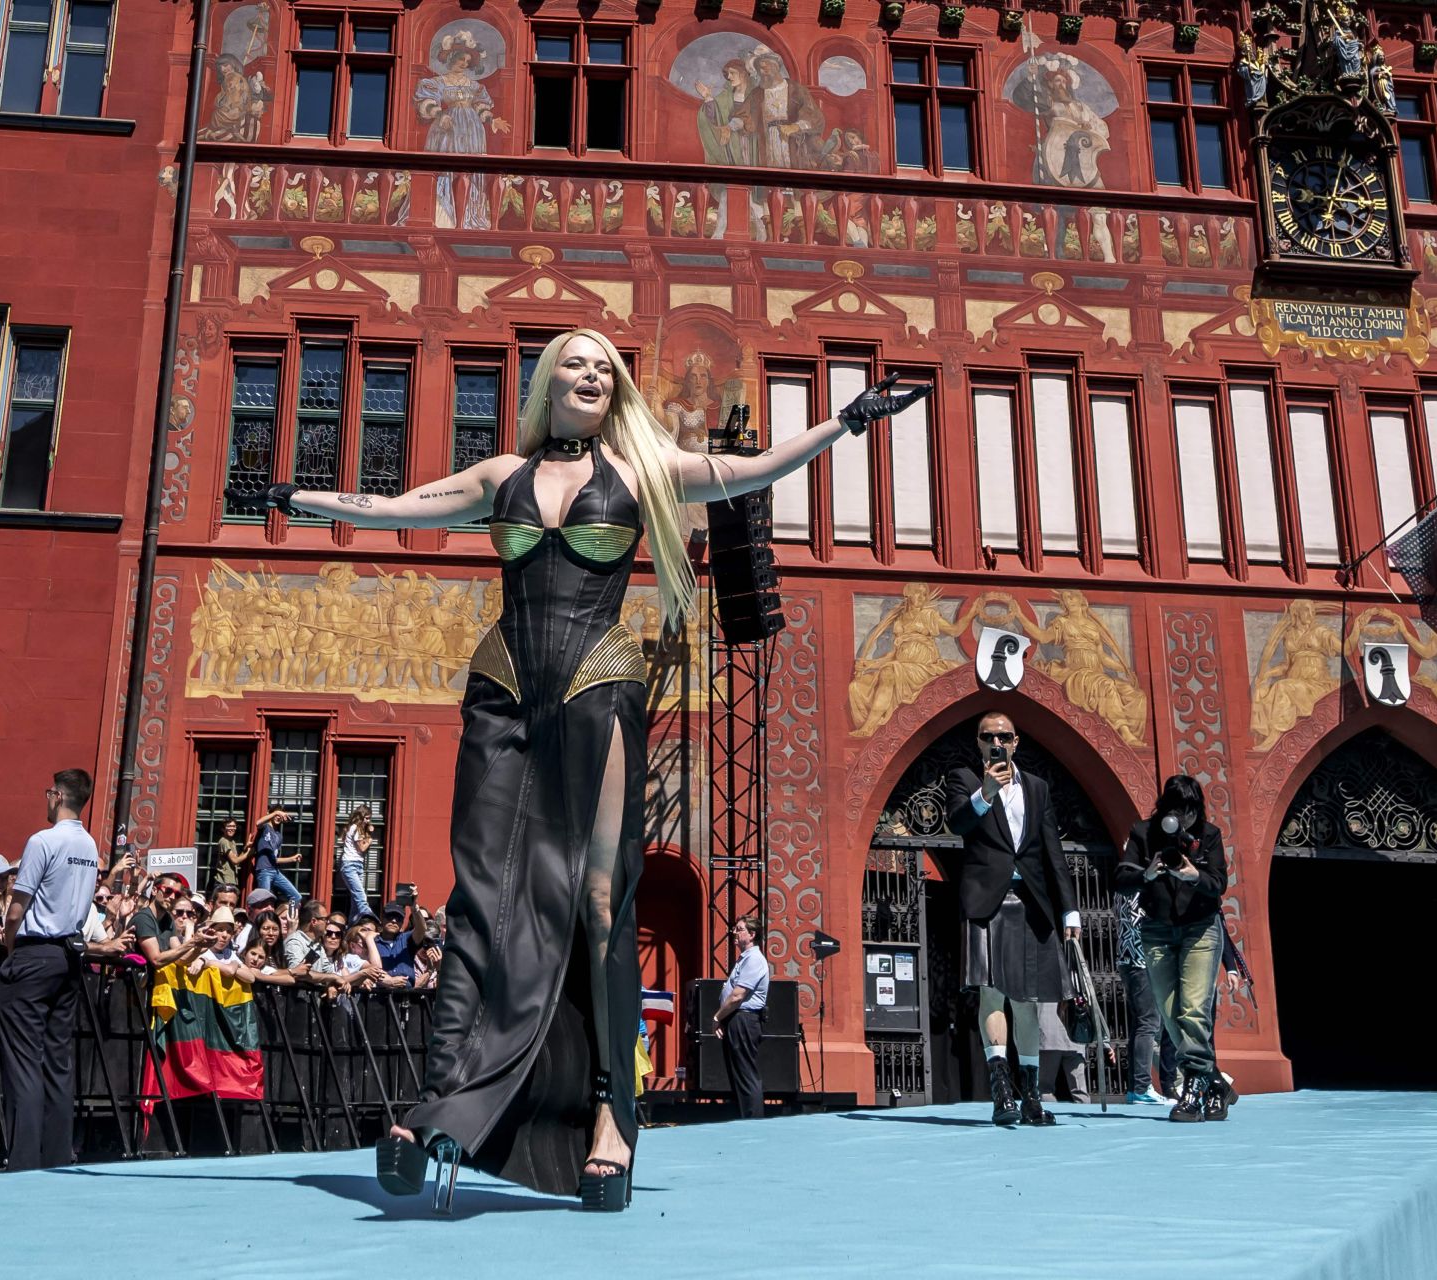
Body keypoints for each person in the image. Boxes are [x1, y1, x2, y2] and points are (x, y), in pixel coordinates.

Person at [243, 327, 926, 1210]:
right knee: (481, 892)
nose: (594, 374)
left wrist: (849, 420)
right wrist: (303, 498)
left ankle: (613, 1120)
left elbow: (749, 472)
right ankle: (445, 1100)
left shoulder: (642, 472)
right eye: (578, 362)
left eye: (608, 367)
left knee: (602, 901)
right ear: (549, 382)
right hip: (504, 690)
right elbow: (400, 506)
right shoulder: (500, 479)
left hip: (599, 687)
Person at [947, 711, 1081, 1128]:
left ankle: (1031, 1095)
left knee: (1027, 1002)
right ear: (979, 742)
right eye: (988, 737)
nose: (996, 742)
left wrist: (1069, 910)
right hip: (986, 900)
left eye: (1004, 735)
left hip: (1030, 901)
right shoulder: (964, 779)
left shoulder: (1037, 788)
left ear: (1016, 740)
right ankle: (1001, 1088)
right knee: (991, 994)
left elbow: (1051, 853)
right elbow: (957, 823)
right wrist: (985, 794)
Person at [0, 767, 101, 1171]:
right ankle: (57, 1155)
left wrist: (10, 948)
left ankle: (22, 1159)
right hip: (69, 956)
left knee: (22, 1059)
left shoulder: (43, 841)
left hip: (35, 951)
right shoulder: (89, 846)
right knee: (57, 1059)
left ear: (56, 795)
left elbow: (17, 905)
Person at [1114, 774, 1230, 1122]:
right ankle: (1215, 1083)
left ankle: (1193, 1088)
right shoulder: (1144, 833)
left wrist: (1195, 875)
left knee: (1194, 1008)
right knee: (1169, 1013)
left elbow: (1219, 883)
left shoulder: (1209, 837)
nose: (1184, 818)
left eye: (1191, 810)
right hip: (1157, 931)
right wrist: (1146, 875)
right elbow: (1119, 877)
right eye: (1177, 810)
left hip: (1200, 931)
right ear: (1165, 810)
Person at [1115, 879, 1177, 1104]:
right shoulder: (1141, 887)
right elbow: (1146, 921)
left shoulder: (1124, 886)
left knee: (1141, 1023)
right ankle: (1142, 1087)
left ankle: (1135, 1087)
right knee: (1149, 1023)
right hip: (1141, 960)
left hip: (1127, 957)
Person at [710, 916, 769, 1120]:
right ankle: (743, 1120)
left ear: (752, 935)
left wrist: (717, 1017)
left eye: (740, 929)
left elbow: (738, 995)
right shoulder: (745, 958)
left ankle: (752, 1123)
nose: (735, 933)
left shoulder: (754, 959)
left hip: (744, 1019)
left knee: (746, 1075)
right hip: (736, 1019)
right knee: (738, 1075)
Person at [246, 809, 302, 907]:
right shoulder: (265, 828)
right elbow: (258, 822)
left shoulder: (278, 836)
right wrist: (276, 813)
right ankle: (261, 921)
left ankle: (288, 918)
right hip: (264, 870)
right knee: (264, 900)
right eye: (277, 815)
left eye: (280, 816)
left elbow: (275, 858)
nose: (278, 817)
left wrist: (292, 859)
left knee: (296, 896)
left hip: (275, 871)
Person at [337, 807, 375, 920]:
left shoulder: (356, 828)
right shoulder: (356, 828)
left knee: (355, 900)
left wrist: (367, 831)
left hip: (357, 864)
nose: (368, 821)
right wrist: (369, 840)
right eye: (367, 818)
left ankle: (351, 926)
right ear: (361, 817)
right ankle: (373, 921)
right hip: (350, 864)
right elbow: (361, 848)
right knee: (361, 897)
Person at [212, 818, 247, 893]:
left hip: (231, 880)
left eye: (234, 826)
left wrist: (246, 849)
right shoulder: (224, 841)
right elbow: (235, 861)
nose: (232, 828)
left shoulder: (232, 842)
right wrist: (249, 853)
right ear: (223, 829)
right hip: (224, 881)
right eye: (229, 826)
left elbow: (237, 860)